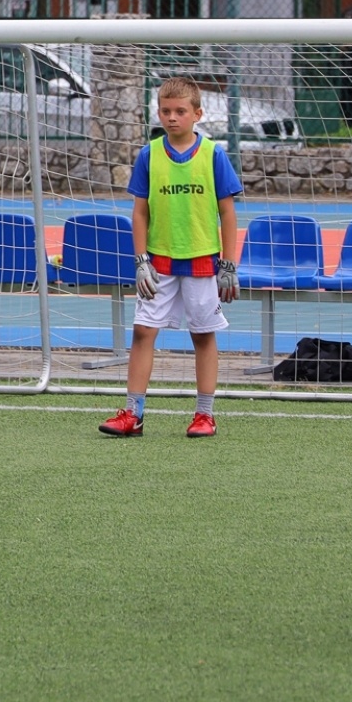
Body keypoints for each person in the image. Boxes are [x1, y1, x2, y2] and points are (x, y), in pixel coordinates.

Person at [99, 77, 242, 439]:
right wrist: (140, 259)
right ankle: (133, 413)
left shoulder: (214, 155)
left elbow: (228, 213)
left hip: (201, 261)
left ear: (198, 113)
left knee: (203, 335)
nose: (172, 117)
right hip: (159, 262)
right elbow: (140, 212)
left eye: (180, 111)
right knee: (143, 331)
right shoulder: (149, 154)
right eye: (166, 110)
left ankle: (205, 414)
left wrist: (228, 264)